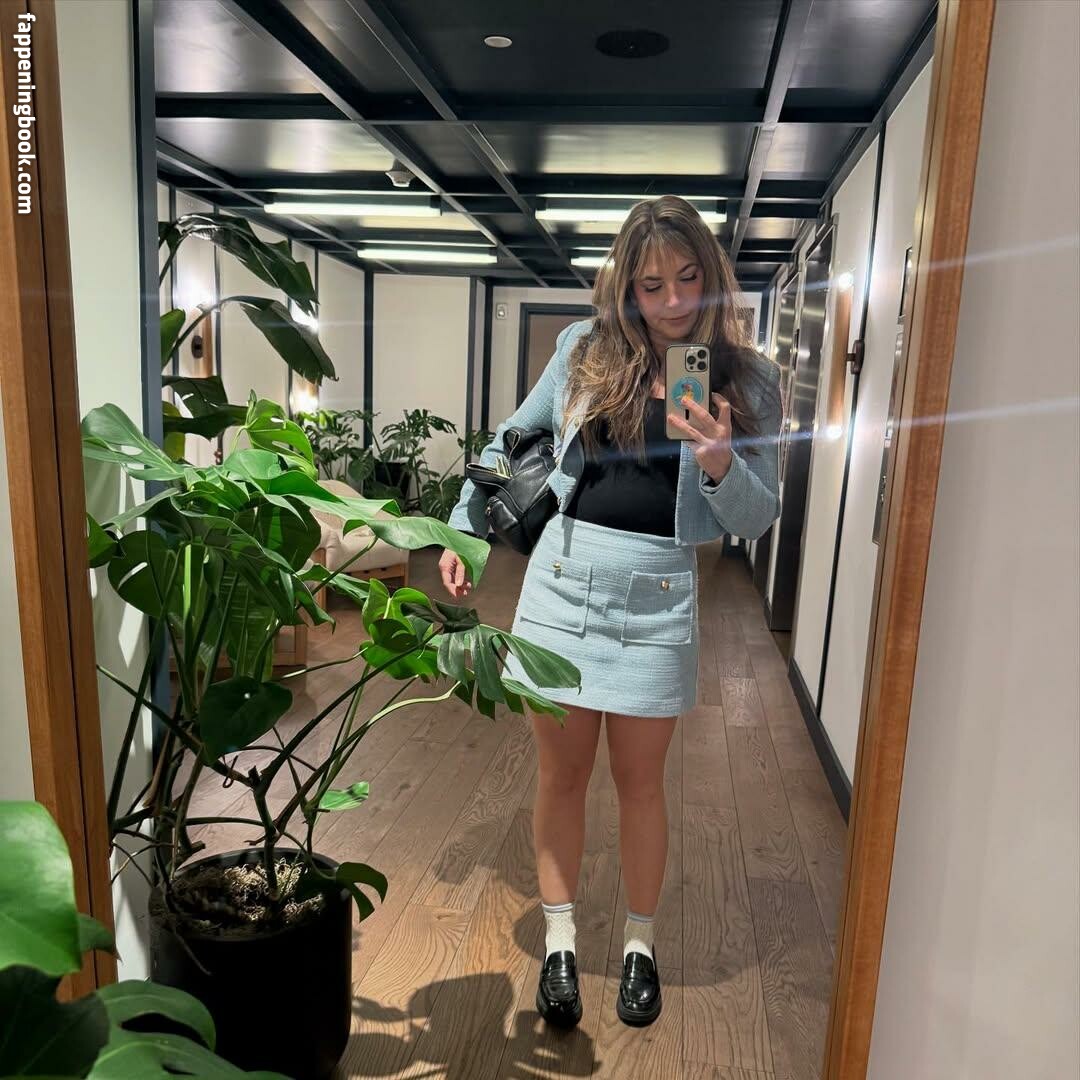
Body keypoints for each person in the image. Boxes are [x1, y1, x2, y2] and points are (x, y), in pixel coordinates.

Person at [439, 195, 783, 1029]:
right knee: (560, 776)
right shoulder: (585, 350)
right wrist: (461, 525)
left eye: (689, 279)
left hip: (660, 596)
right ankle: (560, 945)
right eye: (652, 286)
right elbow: (510, 440)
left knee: (640, 784)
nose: (674, 302)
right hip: (561, 582)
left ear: (712, 274)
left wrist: (718, 462)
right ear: (626, 288)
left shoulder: (749, 379)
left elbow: (757, 515)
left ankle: (639, 946)